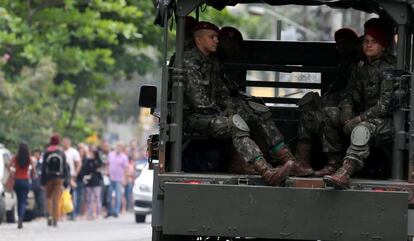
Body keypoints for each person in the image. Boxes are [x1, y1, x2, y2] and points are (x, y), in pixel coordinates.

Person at [175, 21, 309, 186]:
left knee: (258, 112)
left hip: (209, 113)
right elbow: (200, 104)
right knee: (235, 125)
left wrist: (232, 107)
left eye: (217, 37)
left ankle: (288, 160)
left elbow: (222, 92)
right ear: (199, 40)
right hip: (193, 117)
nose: (217, 40)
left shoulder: (210, 61)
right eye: (212, 37)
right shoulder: (189, 61)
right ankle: (265, 171)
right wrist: (228, 115)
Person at [323, 24, 397, 189]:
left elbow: (384, 106)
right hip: (361, 115)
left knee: (361, 129)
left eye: (374, 42)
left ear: (383, 46)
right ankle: (334, 163)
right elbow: (349, 93)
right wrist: (346, 111)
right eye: (365, 41)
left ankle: (346, 171)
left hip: (385, 121)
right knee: (328, 114)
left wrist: (358, 119)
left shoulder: (390, 68)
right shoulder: (361, 67)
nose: (368, 45)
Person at [294, 28, 360, 177]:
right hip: (344, 106)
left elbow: (350, 94)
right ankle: (300, 163)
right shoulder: (346, 64)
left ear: (354, 44)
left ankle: (334, 163)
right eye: (338, 45)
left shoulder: (359, 64)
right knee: (308, 113)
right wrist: (322, 100)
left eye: (344, 44)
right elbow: (340, 90)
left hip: (357, 111)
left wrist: (327, 103)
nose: (340, 48)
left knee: (325, 114)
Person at [42, 134, 68, 227]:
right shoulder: (61, 152)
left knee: (48, 197)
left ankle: (48, 215)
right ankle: (55, 219)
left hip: (49, 177)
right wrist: (66, 180)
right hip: (59, 178)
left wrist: (42, 181)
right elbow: (65, 167)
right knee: (56, 199)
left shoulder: (46, 152)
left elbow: (43, 167)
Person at [10, 142, 33, 229]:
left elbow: (10, 166)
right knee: (23, 201)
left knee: (19, 200)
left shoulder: (15, 158)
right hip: (25, 180)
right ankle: (21, 218)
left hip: (17, 180)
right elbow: (33, 169)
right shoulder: (29, 158)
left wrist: (13, 173)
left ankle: (19, 216)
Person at [106, 142, 128, 217]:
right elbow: (107, 164)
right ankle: (109, 210)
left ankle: (116, 211)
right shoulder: (110, 154)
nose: (118, 148)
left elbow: (126, 169)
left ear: (122, 148)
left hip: (119, 179)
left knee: (118, 196)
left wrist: (124, 178)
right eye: (118, 146)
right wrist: (107, 172)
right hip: (111, 178)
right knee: (109, 195)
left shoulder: (124, 157)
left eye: (120, 147)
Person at [80, 149, 103, 220]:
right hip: (89, 182)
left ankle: (98, 214)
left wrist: (93, 170)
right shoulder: (87, 161)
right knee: (89, 199)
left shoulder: (99, 161)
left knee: (97, 198)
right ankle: (89, 214)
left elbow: (98, 169)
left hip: (96, 182)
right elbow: (85, 170)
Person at [62, 137, 81, 220]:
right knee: (63, 196)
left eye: (67, 142)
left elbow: (78, 163)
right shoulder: (60, 151)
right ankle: (63, 214)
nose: (65, 144)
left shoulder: (73, 152)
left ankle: (73, 214)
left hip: (71, 175)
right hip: (62, 177)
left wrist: (75, 174)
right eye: (64, 142)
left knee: (73, 195)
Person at [31, 148, 45, 218]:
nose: (36, 156)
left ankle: (41, 214)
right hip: (33, 184)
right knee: (35, 200)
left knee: (41, 200)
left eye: (37, 154)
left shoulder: (42, 164)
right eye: (35, 154)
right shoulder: (32, 164)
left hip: (40, 184)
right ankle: (36, 214)